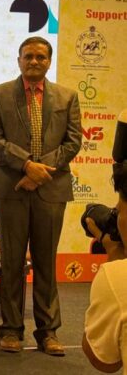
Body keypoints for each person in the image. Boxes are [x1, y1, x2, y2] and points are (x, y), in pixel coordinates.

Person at [0, 36, 82, 355]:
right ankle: (11, 329)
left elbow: (73, 141)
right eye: (28, 56)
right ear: (19, 60)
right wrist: (26, 165)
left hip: (51, 188)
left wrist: (40, 171)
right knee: (11, 262)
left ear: (49, 62)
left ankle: (48, 332)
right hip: (10, 187)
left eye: (41, 56)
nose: (34, 61)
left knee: (45, 262)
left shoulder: (67, 96)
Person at [83, 146, 127, 373]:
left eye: (120, 208)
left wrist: (114, 257)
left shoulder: (117, 276)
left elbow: (103, 360)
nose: (116, 213)